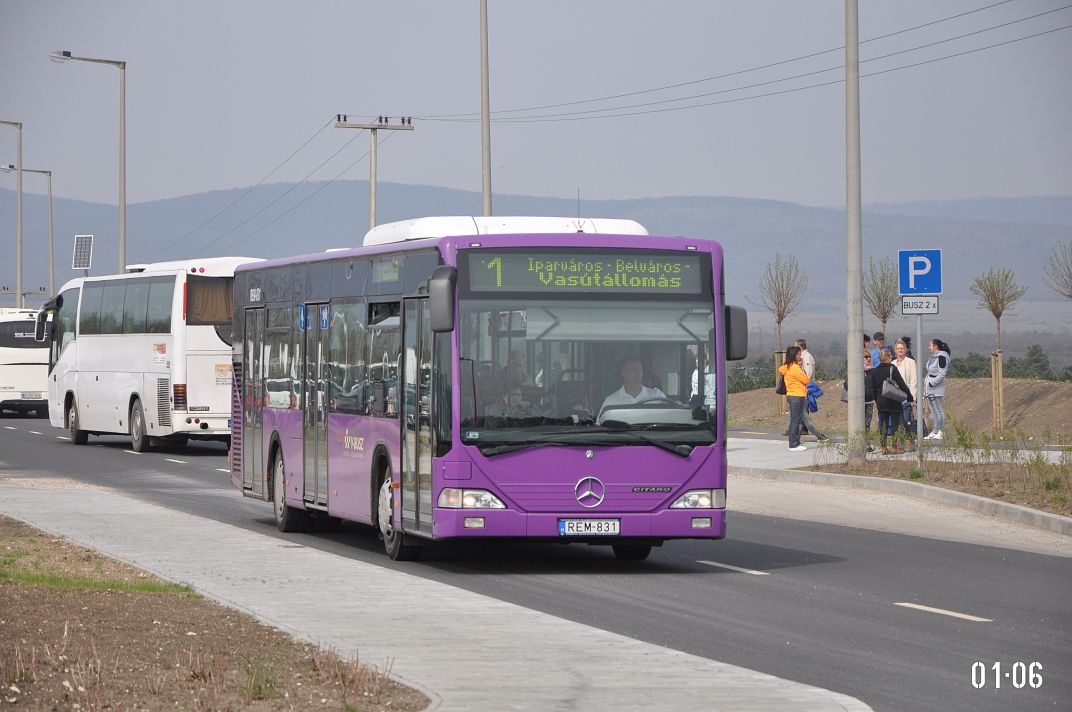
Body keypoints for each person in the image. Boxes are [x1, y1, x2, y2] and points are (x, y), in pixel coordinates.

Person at [867, 349, 914, 454]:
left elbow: (872, 389)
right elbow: (902, 385)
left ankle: (884, 448)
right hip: (894, 400)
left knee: (882, 425)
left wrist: (877, 399)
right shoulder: (892, 369)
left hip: (881, 402)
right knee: (894, 425)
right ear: (888, 357)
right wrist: (910, 398)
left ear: (880, 358)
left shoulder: (874, 371)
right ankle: (894, 447)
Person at [600, 356, 666, 412]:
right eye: (633, 370)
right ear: (623, 373)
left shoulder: (657, 396)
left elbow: (669, 415)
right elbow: (600, 425)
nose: (638, 373)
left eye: (640, 370)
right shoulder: (611, 401)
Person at [778, 345, 810, 452]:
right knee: (796, 420)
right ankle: (794, 444)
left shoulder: (787, 366)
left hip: (792, 395)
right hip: (797, 395)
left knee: (795, 419)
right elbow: (805, 380)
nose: (800, 356)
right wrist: (802, 369)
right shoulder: (794, 368)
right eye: (798, 354)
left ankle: (795, 442)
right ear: (794, 355)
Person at [892, 338, 918, 449]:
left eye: (902, 348)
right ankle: (900, 443)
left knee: (907, 420)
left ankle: (911, 442)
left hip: (907, 397)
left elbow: (914, 381)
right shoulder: (892, 363)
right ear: (895, 350)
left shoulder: (911, 362)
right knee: (898, 422)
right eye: (898, 348)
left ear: (905, 349)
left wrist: (912, 398)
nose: (900, 350)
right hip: (895, 397)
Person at [924, 338, 951, 440]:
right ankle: (935, 430)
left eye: (930, 345)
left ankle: (941, 430)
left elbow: (942, 373)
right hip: (930, 388)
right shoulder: (934, 357)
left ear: (935, 346)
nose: (929, 347)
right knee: (933, 410)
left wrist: (932, 383)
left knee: (939, 410)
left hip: (936, 387)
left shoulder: (941, 357)